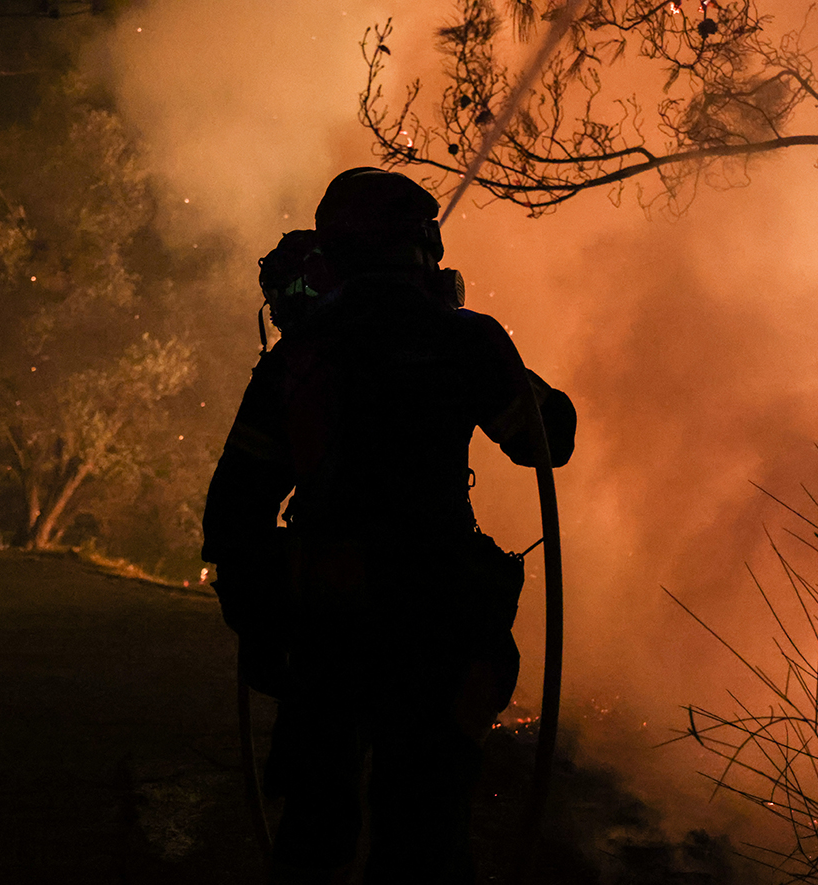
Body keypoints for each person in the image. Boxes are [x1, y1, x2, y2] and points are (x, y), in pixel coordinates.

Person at [201, 167, 576, 884]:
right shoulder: (464, 341)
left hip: (327, 630)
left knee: (314, 834)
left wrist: (263, 623)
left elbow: (235, 512)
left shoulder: (300, 354)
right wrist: (502, 364)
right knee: (425, 838)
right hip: (436, 627)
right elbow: (547, 440)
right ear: (422, 249)